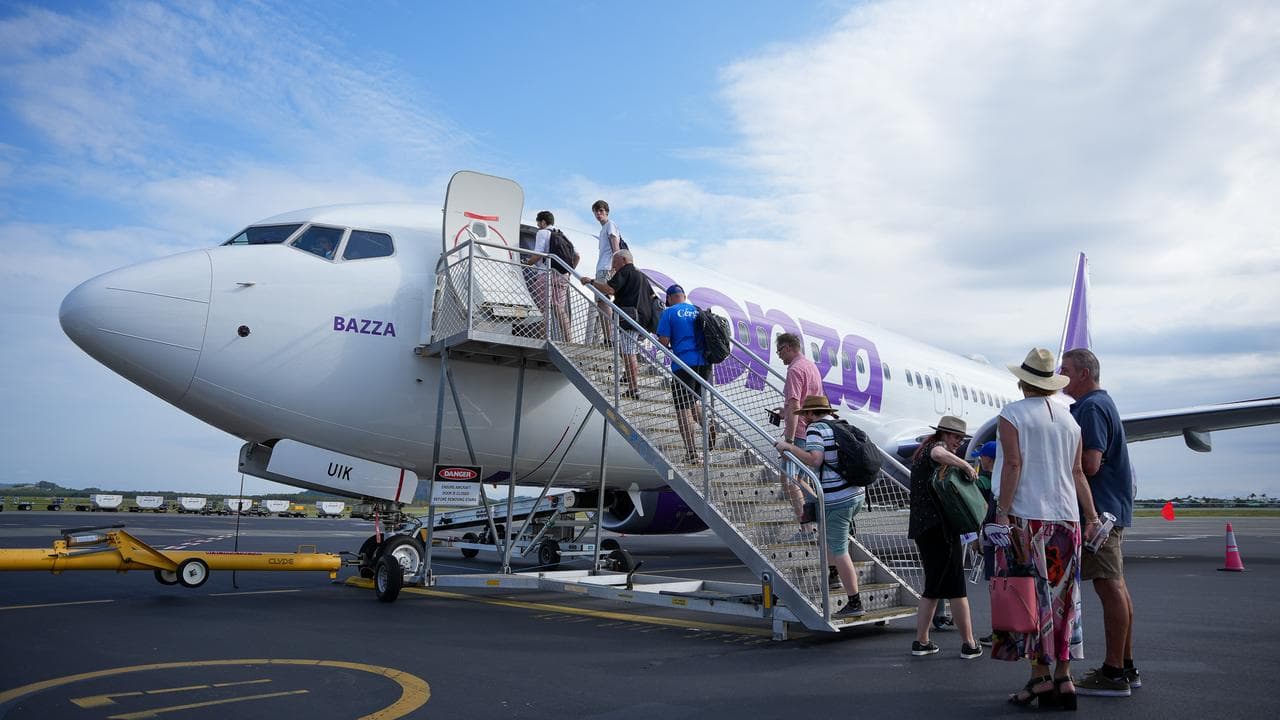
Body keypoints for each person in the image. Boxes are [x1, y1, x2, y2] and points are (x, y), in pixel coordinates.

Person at [990, 348, 1101, 710]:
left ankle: (1039, 678)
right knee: (1065, 600)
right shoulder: (1071, 420)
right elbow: (1077, 473)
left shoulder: (1012, 414)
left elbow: (1013, 465)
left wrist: (1002, 513)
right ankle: (1064, 677)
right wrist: (1093, 517)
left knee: (1030, 599)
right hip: (1067, 520)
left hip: (1028, 518)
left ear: (1023, 382)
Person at [1061, 347, 1140, 697]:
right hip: (1112, 509)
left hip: (1100, 513)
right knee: (1117, 588)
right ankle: (1125, 666)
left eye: (1066, 369)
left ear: (1083, 373)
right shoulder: (1100, 404)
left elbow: (1090, 464)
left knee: (1109, 588)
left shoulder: (1091, 407)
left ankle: (1113, 673)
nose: (1061, 374)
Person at [774, 395, 865, 617]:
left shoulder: (815, 429)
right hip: (855, 493)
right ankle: (833, 575)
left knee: (839, 549)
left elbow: (814, 460)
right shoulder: (838, 425)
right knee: (826, 535)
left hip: (838, 498)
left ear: (811, 413)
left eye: (805, 414)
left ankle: (855, 601)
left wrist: (788, 448)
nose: (803, 418)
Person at [908, 414, 982, 659]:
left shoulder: (922, 452)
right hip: (940, 528)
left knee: (933, 587)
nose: (958, 443)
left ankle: (922, 640)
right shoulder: (935, 448)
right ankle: (969, 644)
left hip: (923, 528)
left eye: (961, 440)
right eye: (956, 438)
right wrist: (965, 465)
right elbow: (939, 454)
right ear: (944, 434)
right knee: (956, 588)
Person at [657, 284, 713, 463]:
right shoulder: (697, 310)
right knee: (692, 401)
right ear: (684, 296)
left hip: (683, 364)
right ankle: (707, 424)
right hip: (704, 364)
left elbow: (663, 342)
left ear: (670, 298)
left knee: (682, 409)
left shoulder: (670, 312)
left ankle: (691, 452)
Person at [775, 332, 823, 526]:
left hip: (800, 433)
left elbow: (795, 405)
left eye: (780, 351)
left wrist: (790, 441)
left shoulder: (794, 370)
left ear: (788, 347)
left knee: (789, 482)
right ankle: (823, 511)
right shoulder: (811, 367)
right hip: (810, 430)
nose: (779, 356)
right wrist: (784, 412)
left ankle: (807, 526)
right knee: (800, 480)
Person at [581, 249, 642, 399]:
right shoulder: (640, 275)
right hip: (637, 318)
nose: (613, 267)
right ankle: (629, 378)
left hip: (627, 319)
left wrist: (592, 282)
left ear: (623, 260)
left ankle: (634, 388)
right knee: (625, 349)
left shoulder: (625, 271)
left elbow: (609, 289)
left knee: (628, 352)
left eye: (615, 262)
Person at [526, 211, 571, 341]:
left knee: (543, 309)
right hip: (562, 275)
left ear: (543, 222)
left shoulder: (542, 233)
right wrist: (568, 270)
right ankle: (569, 340)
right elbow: (577, 255)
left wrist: (527, 263)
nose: (538, 226)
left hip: (545, 274)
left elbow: (538, 254)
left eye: (539, 223)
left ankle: (543, 339)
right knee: (559, 308)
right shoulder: (563, 235)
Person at [970, 440, 998, 646]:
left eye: (982, 456)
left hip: (991, 538)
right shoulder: (1002, 479)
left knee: (996, 586)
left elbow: (979, 511)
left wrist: (974, 538)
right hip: (1004, 537)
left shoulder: (982, 482)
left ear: (988, 459)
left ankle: (1000, 631)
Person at [589, 200, 623, 345]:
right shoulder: (603, 229)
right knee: (601, 302)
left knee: (604, 301)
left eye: (601, 211)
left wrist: (615, 265)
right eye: (596, 211)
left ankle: (610, 337)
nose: (598, 214)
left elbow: (615, 245)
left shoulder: (610, 225)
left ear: (606, 212)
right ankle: (608, 337)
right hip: (602, 267)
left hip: (606, 267)